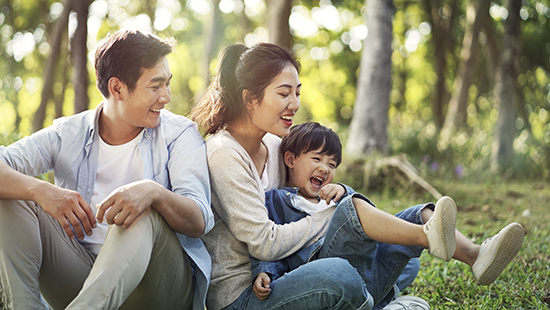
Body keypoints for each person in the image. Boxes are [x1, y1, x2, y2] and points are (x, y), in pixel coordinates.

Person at [192, 42, 427, 310]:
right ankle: (378, 301)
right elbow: (265, 244)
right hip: (248, 294)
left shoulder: (274, 144)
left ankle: (370, 297)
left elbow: (302, 198)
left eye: (297, 93)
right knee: (340, 275)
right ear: (249, 99)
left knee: (404, 257)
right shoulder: (223, 154)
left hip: (295, 266)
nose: (295, 103)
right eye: (284, 93)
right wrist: (337, 217)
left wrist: (340, 205)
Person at [0, 29, 213, 310]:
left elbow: (198, 220)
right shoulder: (69, 134)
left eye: (167, 84)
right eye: (156, 86)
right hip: (83, 277)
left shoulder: (179, 134)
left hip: (158, 286)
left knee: (142, 207)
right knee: (11, 196)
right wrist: (42, 190)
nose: (166, 97)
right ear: (117, 89)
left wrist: (153, 193)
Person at [250, 122, 525, 305]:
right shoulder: (277, 200)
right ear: (290, 159)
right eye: (317, 159)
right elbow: (270, 245)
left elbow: (365, 213)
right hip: (329, 273)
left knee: (419, 215)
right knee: (352, 210)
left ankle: (476, 255)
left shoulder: (336, 194)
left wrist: (344, 190)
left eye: (332, 164)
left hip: (363, 273)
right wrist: (265, 272)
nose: (325, 168)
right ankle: (423, 246)